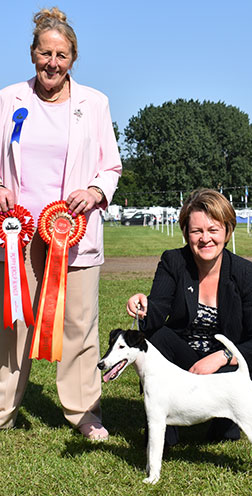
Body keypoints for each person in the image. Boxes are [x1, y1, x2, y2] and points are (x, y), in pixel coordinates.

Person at [0, 7, 122, 440]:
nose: (52, 62)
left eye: (62, 55)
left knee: (80, 328)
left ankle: (84, 412)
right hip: (19, 236)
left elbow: (111, 167)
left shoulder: (95, 103)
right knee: (14, 326)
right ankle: (3, 408)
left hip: (76, 235)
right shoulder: (8, 98)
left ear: (73, 58)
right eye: (45, 52)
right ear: (32, 53)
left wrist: (94, 193)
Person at [127, 188, 252, 445]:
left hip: (226, 367)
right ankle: (164, 431)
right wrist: (145, 306)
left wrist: (220, 357)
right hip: (184, 360)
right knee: (156, 337)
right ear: (186, 233)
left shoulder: (245, 272)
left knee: (223, 437)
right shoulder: (173, 261)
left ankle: (223, 422)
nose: (205, 239)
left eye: (213, 230)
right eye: (197, 231)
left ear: (227, 231)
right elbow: (158, 310)